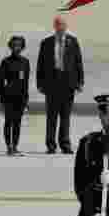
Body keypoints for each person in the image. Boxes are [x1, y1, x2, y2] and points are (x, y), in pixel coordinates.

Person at [37, 16, 85, 154]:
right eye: (57, 24)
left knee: (65, 116)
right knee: (51, 116)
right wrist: (40, 83)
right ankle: (51, 145)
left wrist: (80, 82)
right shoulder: (46, 43)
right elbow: (40, 64)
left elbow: (78, 62)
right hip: (52, 83)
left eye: (62, 24)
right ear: (54, 26)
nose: (60, 27)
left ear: (66, 26)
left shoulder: (72, 41)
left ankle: (65, 144)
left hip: (68, 83)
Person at [0, 36, 30, 156]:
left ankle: (15, 146)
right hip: (8, 96)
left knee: (17, 122)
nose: (17, 47)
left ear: (22, 47)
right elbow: (1, 82)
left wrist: (26, 99)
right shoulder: (5, 61)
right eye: (14, 45)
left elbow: (25, 81)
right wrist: (2, 97)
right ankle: (9, 146)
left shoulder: (25, 62)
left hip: (21, 96)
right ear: (11, 46)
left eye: (19, 45)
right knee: (8, 121)